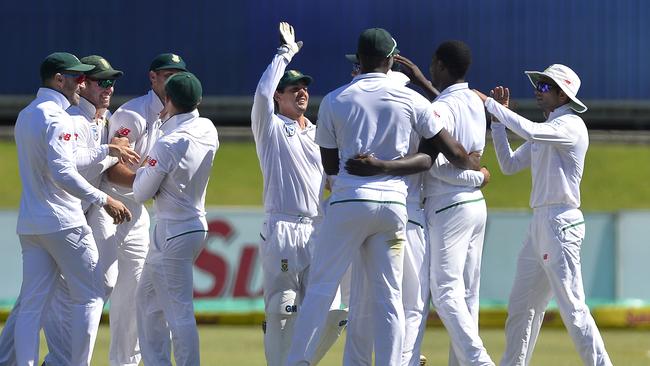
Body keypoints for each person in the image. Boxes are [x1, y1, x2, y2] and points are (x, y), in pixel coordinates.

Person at [286, 28, 479, 366]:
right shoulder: (413, 99)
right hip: (392, 209)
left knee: (321, 287)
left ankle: (295, 362)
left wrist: (365, 167)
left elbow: (330, 164)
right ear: (391, 59)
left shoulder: (334, 99)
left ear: (358, 60)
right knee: (389, 298)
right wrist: (475, 167)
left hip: (348, 203)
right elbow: (453, 153)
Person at [473, 64, 612, 366]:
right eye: (539, 84)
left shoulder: (570, 126)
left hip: (560, 222)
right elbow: (508, 165)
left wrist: (489, 104)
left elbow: (531, 130)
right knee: (521, 307)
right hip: (540, 224)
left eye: (546, 86)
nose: (538, 90)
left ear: (563, 95)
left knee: (573, 309)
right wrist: (496, 122)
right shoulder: (549, 129)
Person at [4, 52, 133, 366]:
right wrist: (105, 199)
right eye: (76, 77)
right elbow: (64, 171)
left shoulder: (27, 113)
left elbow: (70, 159)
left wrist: (107, 149)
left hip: (31, 224)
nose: (81, 82)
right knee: (91, 295)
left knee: (32, 306)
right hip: (64, 222)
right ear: (58, 79)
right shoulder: (59, 117)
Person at [251, 22, 346, 366]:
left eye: (304, 87)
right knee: (283, 307)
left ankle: (299, 363)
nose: (301, 92)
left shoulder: (321, 134)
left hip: (317, 229)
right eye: (293, 88)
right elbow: (261, 95)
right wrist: (284, 54)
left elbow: (335, 180)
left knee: (334, 313)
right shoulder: (271, 128)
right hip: (282, 226)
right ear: (280, 94)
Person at [341, 54, 432, 366]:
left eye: (359, 65)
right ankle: (403, 360)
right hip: (403, 214)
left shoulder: (354, 103)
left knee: (365, 303)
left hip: (369, 211)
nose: (356, 70)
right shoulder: (413, 103)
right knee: (408, 302)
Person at [103, 52, 188, 366]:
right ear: (152, 78)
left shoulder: (176, 116)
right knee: (97, 289)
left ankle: (126, 362)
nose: (173, 81)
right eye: (167, 75)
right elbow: (111, 171)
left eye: (178, 76)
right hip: (109, 210)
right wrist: (151, 183)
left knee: (136, 295)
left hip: (137, 214)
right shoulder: (132, 115)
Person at [40, 54, 126, 366]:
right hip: (63, 214)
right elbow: (74, 168)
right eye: (102, 82)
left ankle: (61, 360)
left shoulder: (105, 117)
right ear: (82, 83)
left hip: (89, 209)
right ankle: (60, 360)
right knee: (61, 290)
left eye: (112, 82)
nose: (109, 88)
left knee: (102, 281)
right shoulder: (74, 118)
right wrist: (111, 154)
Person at [128, 71, 218, 366]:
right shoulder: (208, 128)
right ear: (199, 100)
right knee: (148, 300)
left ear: (167, 100)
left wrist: (143, 164)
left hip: (173, 231)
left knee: (179, 311)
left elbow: (141, 192)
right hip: (190, 226)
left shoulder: (168, 142)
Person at [422, 41, 494, 366]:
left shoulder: (442, 106)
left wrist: (476, 177)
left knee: (446, 291)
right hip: (475, 206)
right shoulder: (476, 102)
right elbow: (475, 158)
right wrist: (477, 178)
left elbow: (439, 166)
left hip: (449, 204)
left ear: (440, 65)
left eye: (432, 64)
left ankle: (479, 361)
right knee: (467, 295)